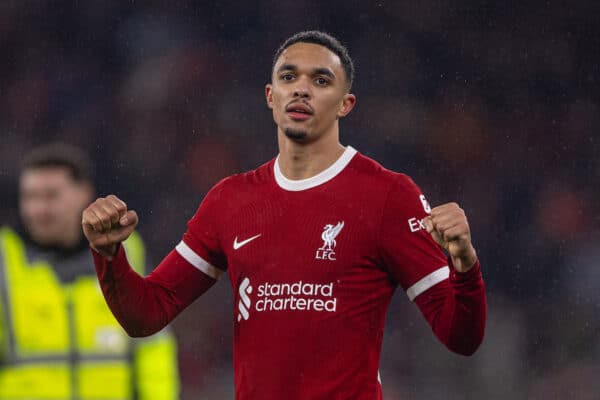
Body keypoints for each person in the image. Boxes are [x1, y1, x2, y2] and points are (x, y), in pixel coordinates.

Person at [82, 31, 487, 399]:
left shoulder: (388, 195)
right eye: (289, 77)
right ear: (270, 96)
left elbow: (460, 336)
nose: (302, 90)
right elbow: (148, 313)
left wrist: (465, 264)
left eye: (321, 81)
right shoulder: (231, 200)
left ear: (346, 105)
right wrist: (109, 255)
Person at [0, 143, 179, 399]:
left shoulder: (128, 252)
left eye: (51, 196)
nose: (38, 209)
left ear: (84, 194)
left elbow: (152, 347)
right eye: (30, 197)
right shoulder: (4, 259)